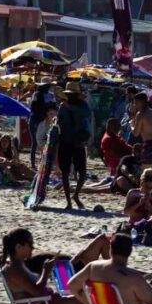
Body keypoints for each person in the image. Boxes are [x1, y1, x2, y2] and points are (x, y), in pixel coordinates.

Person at [56, 82, 92, 210]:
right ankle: (68, 201)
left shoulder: (83, 105)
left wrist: (70, 107)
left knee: (82, 172)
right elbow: (58, 120)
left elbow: (87, 114)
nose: (70, 97)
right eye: (69, 95)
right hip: (65, 141)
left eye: (72, 95)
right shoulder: (62, 106)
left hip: (78, 142)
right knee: (65, 172)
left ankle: (76, 195)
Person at [28, 81, 57, 168]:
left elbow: (53, 107)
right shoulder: (36, 94)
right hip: (36, 120)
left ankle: (43, 162)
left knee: (45, 141)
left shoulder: (50, 95)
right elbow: (33, 107)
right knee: (35, 142)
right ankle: (33, 163)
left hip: (45, 120)